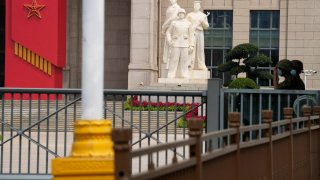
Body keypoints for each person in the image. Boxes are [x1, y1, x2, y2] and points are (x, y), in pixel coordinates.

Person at [166, 8, 194, 78]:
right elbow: (168, 32)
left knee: (184, 60)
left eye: (182, 13)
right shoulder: (174, 23)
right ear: (178, 14)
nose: (181, 14)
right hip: (175, 43)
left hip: (185, 44)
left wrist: (191, 45)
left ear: (184, 14)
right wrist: (169, 41)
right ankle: (171, 73)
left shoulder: (188, 23)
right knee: (174, 59)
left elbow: (191, 35)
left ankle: (184, 73)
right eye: (180, 13)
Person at [186, 1, 209, 70]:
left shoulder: (203, 15)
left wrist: (203, 22)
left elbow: (206, 26)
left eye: (198, 5)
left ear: (199, 6)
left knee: (201, 49)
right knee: (191, 49)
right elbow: (186, 25)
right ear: (193, 6)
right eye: (195, 5)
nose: (196, 6)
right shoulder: (189, 15)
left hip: (200, 32)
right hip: (192, 33)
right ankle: (190, 65)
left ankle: (201, 65)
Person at [162, 0, 181, 68]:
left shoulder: (177, 8)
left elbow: (173, 18)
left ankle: (171, 62)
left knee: (172, 46)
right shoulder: (169, 8)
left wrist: (164, 25)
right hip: (168, 29)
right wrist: (164, 27)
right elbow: (167, 18)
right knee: (168, 46)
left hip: (173, 29)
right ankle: (167, 61)